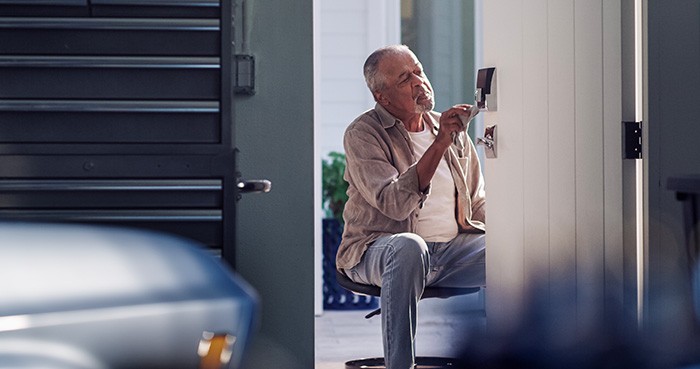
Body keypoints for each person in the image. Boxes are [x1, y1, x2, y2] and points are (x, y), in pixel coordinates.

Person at [336, 44, 487, 369]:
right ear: (383, 97)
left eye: (418, 71)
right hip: (376, 251)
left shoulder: (448, 130)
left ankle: (496, 355)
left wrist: (518, 227)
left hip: (451, 253)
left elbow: (476, 204)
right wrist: (440, 143)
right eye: (405, 79)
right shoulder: (364, 134)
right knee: (408, 247)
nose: (419, 82)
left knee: (507, 250)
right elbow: (394, 203)